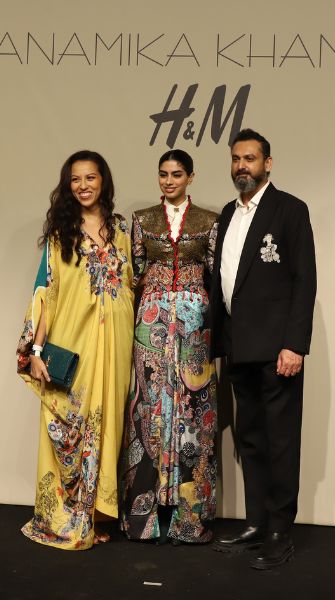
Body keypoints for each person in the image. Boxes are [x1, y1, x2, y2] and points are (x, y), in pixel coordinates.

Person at [16, 150, 134, 550]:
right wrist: (35, 350)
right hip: (74, 344)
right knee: (71, 428)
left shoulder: (122, 231)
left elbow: (134, 284)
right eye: (76, 179)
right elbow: (45, 295)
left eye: (91, 177)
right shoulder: (60, 236)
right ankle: (68, 516)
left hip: (115, 345)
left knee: (109, 425)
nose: (84, 186)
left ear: (103, 181)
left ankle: (97, 514)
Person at [210, 129, 316, 569]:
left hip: (277, 351)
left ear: (267, 164)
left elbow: (304, 281)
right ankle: (255, 523)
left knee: (280, 441)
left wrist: (294, 344)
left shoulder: (289, 210)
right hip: (239, 347)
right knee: (250, 439)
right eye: (236, 158)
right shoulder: (227, 214)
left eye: (250, 158)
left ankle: (279, 531)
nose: (242, 166)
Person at [119, 149, 219, 544]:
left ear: (191, 177)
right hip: (151, 323)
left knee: (193, 411)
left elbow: (215, 276)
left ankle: (189, 521)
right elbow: (135, 273)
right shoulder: (142, 220)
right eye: (163, 174)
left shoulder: (209, 221)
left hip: (194, 326)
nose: (169, 181)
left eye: (177, 174)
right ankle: (144, 520)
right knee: (149, 407)